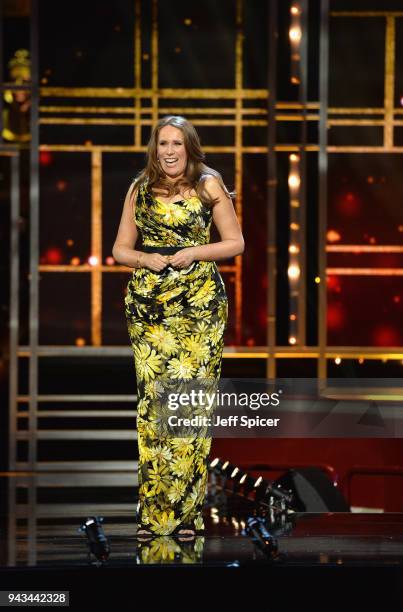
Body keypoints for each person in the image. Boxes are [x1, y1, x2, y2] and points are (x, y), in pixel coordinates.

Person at [112, 115, 244, 539]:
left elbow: (235, 242)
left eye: (177, 144)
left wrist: (194, 252)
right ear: (155, 147)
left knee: (189, 408)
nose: (169, 151)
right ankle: (153, 517)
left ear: (189, 147)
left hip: (199, 305)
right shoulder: (139, 188)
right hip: (149, 306)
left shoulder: (209, 183)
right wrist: (143, 259)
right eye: (162, 144)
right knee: (153, 409)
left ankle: (186, 516)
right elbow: (119, 249)